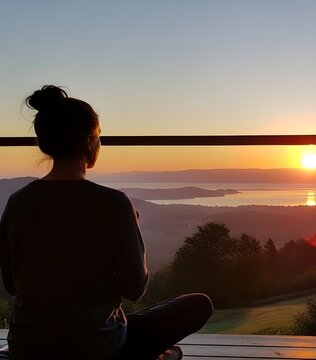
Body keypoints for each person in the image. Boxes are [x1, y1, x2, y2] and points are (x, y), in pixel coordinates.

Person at [0, 85, 213, 359]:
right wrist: (131, 230)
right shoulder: (113, 204)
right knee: (198, 304)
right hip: (97, 345)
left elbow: (11, 285)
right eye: (99, 136)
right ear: (89, 141)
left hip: (27, 346)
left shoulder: (18, 201)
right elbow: (135, 289)